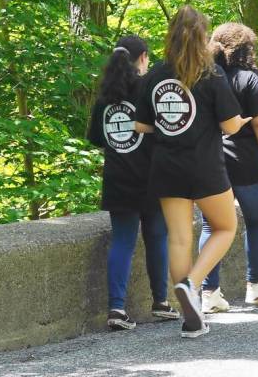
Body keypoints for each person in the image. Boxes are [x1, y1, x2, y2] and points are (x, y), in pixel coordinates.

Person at [135, 6, 251, 338]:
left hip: (166, 167)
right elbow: (229, 125)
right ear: (203, 37)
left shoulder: (155, 75)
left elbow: (142, 125)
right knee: (225, 227)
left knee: (180, 238)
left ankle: (191, 316)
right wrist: (241, 120)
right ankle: (191, 284)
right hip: (205, 166)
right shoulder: (211, 75)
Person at [87, 35, 180, 330]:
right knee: (157, 237)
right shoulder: (146, 89)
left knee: (123, 241)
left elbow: (96, 139)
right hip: (151, 177)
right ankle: (161, 302)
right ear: (142, 58)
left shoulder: (105, 97)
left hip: (117, 179)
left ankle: (116, 309)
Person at [198, 22, 258, 313]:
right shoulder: (249, 80)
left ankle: (209, 293)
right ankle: (256, 285)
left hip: (213, 161)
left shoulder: (205, 77)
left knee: (211, 226)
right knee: (257, 222)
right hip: (248, 161)